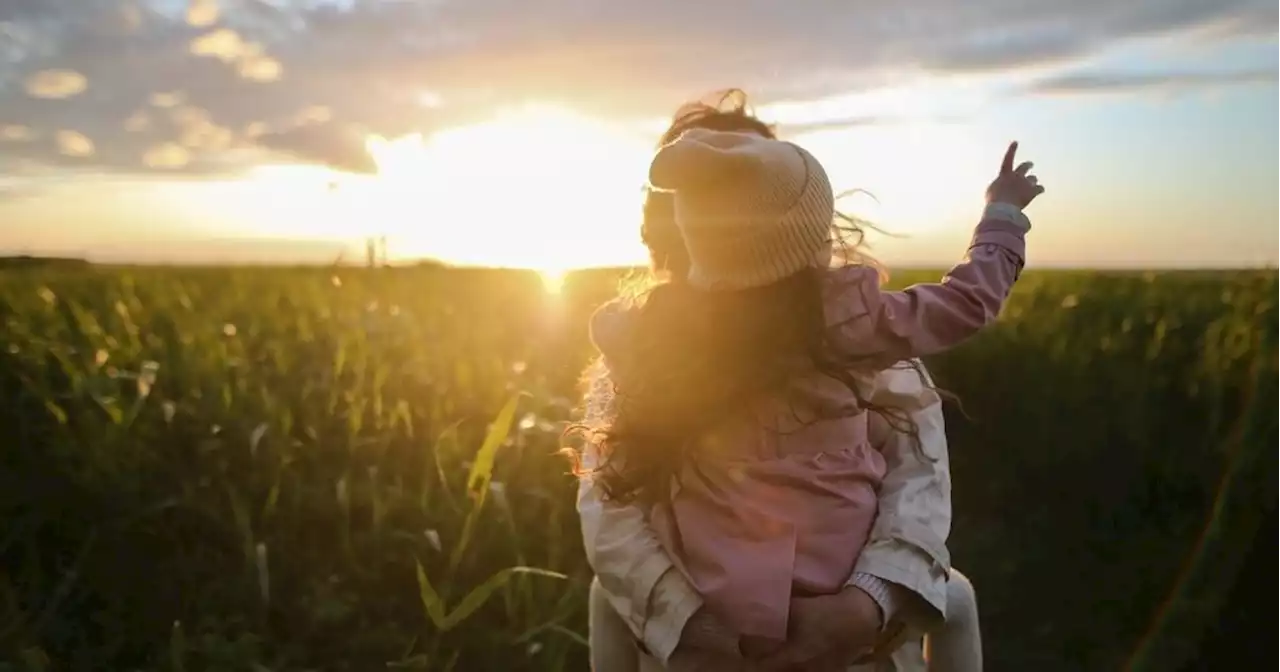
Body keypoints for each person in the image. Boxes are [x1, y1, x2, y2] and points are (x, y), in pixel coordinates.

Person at [572, 91, 1035, 670]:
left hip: (786, 608)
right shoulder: (855, 325)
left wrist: (867, 600)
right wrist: (1003, 219)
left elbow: (918, 476)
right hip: (727, 618)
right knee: (956, 597)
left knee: (954, 597)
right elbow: (611, 510)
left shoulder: (649, 337)